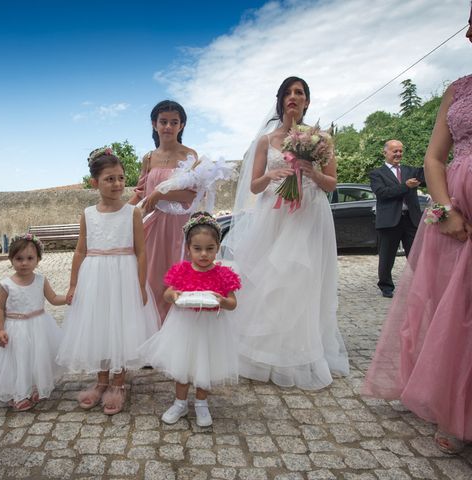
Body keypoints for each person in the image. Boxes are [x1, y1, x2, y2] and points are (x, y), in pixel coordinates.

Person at [363, 6, 472, 455]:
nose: (469, 30)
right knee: (452, 307)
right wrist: (445, 207)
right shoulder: (458, 89)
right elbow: (435, 160)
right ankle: (453, 402)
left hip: (413, 214)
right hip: (451, 216)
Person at [222, 76, 349, 390]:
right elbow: (253, 186)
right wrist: (271, 174)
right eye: (289, 92)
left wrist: (312, 171)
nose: (294, 97)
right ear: (280, 100)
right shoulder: (266, 141)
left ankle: (297, 351)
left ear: (307, 101)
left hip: (309, 214)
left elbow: (332, 183)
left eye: (300, 93)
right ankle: (262, 353)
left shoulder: (321, 140)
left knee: (301, 280)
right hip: (274, 214)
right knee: (270, 279)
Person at [57, 147, 159, 415]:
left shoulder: (132, 213)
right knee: (99, 326)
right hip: (95, 277)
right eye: (109, 179)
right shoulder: (88, 214)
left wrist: (139, 284)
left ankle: (118, 383)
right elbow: (80, 250)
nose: (117, 184)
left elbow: (141, 251)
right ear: (95, 183)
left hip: (123, 275)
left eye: (121, 178)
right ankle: (101, 381)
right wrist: (73, 284)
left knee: (121, 326)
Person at [139, 212, 240, 427]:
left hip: (210, 328)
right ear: (188, 248)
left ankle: (201, 404)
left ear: (218, 247)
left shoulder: (223, 274)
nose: (203, 254)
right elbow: (167, 293)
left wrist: (221, 300)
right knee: (182, 365)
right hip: (184, 326)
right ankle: (180, 403)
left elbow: (232, 303)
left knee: (205, 364)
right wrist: (174, 296)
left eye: (210, 249)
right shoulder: (182, 271)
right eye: (197, 249)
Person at [0, 234, 65, 411]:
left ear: (38, 260)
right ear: (11, 259)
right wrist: (0, 329)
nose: (24, 263)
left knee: (36, 359)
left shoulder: (41, 280)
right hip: (15, 329)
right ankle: (17, 393)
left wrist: (70, 298)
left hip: (39, 326)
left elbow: (54, 298)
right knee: (17, 361)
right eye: (19, 259)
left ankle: (34, 386)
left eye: (30, 258)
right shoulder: (6, 284)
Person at [129, 100, 197, 322]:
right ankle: (152, 329)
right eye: (163, 121)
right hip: (151, 227)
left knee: (177, 278)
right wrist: (117, 214)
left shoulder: (189, 156)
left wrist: (160, 194)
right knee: (151, 278)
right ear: (154, 124)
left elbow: (191, 195)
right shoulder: (148, 158)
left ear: (182, 126)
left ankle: (176, 332)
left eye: (174, 122)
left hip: (179, 227)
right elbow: (140, 193)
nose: (168, 126)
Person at [369, 140, 425, 297]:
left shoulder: (410, 170)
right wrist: (406, 186)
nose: (399, 154)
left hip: (411, 219)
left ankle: (421, 284)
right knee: (387, 256)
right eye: (395, 151)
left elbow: (429, 174)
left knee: (416, 254)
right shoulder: (376, 174)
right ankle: (386, 286)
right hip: (389, 220)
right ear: (385, 152)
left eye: (400, 151)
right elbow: (383, 193)